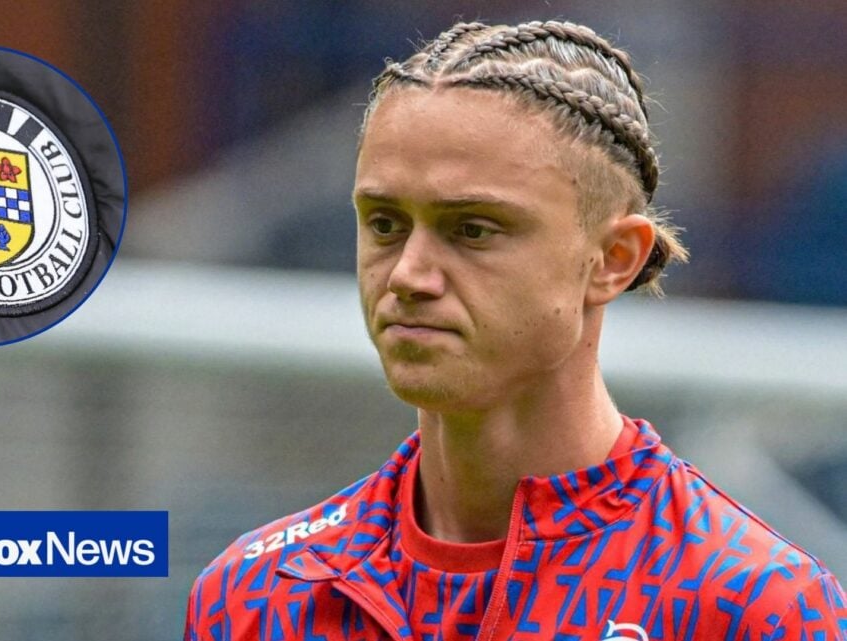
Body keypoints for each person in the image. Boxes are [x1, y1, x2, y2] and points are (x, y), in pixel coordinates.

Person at [184, 19, 847, 641]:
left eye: (472, 229)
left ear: (613, 259)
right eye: (385, 223)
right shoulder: (257, 595)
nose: (410, 273)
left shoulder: (751, 605)